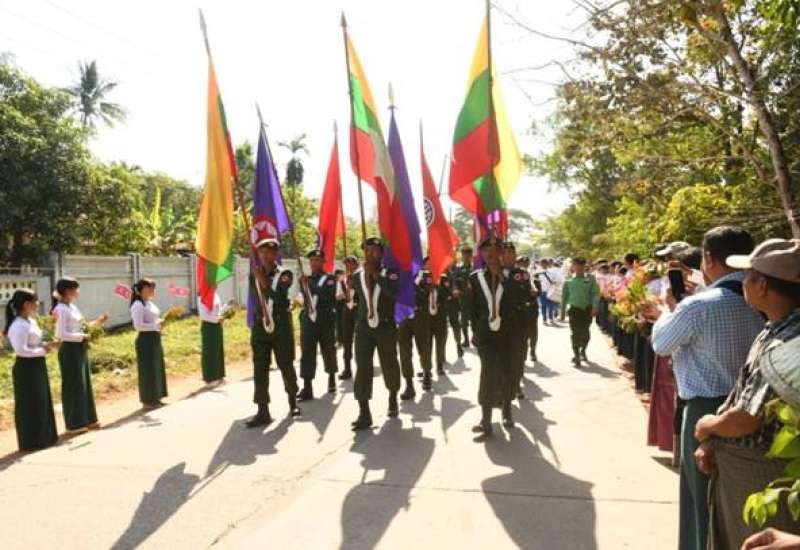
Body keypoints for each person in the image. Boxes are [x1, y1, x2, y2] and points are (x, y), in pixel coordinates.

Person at [650, 226, 764, 550]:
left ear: (709, 259)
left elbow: (661, 343)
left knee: (699, 498)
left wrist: (669, 308)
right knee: (739, 501)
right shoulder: (764, 299)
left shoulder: (699, 305)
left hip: (704, 410)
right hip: (754, 408)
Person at [691, 239, 800, 549]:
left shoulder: (788, 342)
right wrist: (713, 440)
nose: (743, 283)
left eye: (748, 276)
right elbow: (742, 395)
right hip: (745, 467)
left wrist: (706, 426)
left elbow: (747, 419)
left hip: (759, 472)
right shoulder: (774, 329)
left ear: (763, 286)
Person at [247, 238, 300, 428]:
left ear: (276, 254)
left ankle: (293, 402)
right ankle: (263, 410)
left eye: (270, 252)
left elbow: (279, 299)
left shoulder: (285, 274)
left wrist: (263, 281)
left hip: (281, 326)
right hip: (261, 326)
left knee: (285, 364)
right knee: (260, 368)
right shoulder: (254, 273)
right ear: (259, 254)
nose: (266, 255)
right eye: (263, 252)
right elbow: (255, 298)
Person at [350, 237, 402, 430]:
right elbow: (356, 299)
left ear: (382, 253)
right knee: (362, 368)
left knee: (389, 364)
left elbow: (393, 292)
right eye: (367, 250)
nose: (370, 254)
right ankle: (364, 412)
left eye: (375, 250)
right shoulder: (357, 276)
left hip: (385, 327)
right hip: (364, 327)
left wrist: (376, 274)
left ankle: (393, 396)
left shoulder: (392, 273)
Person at [471, 237, 515, 435]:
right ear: (481, 253)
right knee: (487, 373)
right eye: (485, 249)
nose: (490, 253)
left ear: (501, 253)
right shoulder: (475, 278)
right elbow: (471, 309)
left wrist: (502, 278)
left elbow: (517, 301)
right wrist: (474, 331)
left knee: (506, 372)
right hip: (485, 335)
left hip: (507, 333)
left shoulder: (512, 276)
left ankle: (507, 409)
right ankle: (485, 420)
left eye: (494, 249)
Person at [5, 289, 58, 452]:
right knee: (29, 404)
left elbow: (34, 343)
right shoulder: (17, 325)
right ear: (26, 304)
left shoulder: (31, 321)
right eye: (35, 301)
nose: (37, 304)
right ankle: (31, 441)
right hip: (26, 368)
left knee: (41, 400)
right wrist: (44, 350)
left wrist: (47, 345)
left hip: (37, 365)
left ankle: (44, 437)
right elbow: (21, 350)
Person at [52, 277, 105, 432]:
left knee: (84, 383)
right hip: (69, 350)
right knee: (73, 384)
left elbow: (82, 327)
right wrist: (82, 336)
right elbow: (61, 334)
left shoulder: (72, 307)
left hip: (80, 348)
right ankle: (74, 423)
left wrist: (98, 322)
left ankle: (88, 419)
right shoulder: (60, 309)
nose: (78, 291)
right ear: (67, 291)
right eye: (76, 288)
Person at [297, 249, 339, 400]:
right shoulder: (306, 279)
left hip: (325, 318)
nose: (314, 263)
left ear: (323, 262)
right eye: (312, 261)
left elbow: (327, 296)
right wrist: (303, 284)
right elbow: (305, 298)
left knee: (328, 349)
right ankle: (307, 387)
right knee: (307, 351)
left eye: (317, 260)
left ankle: (332, 377)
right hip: (309, 319)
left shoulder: (330, 279)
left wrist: (309, 285)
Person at [130, 278, 168, 409]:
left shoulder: (149, 303)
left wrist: (160, 322)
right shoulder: (138, 305)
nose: (152, 290)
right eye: (148, 288)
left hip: (155, 338)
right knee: (147, 370)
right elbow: (138, 325)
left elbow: (153, 319)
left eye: (153, 288)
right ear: (140, 290)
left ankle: (156, 396)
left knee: (156, 367)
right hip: (145, 340)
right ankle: (147, 400)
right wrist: (156, 325)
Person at [399, 262, 434, 396]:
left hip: (420, 317)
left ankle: (426, 373)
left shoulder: (426, 276)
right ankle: (409, 384)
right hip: (404, 317)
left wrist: (413, 285)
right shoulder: (398, 276)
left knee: (423, 348)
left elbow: (425, 296)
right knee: (404, 352)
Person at [560, 258, 600, 367]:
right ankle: (576, 354)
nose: (579, 268)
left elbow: (595, 293)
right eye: (576, 265)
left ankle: (583, 350)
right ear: (573, 266)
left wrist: (595, 307)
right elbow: (564, 297)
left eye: (581, 266)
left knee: (585, 333)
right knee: (575, 333)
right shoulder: (568, 280)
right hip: (574, 310)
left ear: (584, 266)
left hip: (587, 310)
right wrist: (562, 311)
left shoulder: (590, 279)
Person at [501, 242, 527, 400]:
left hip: (519, 321)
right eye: (504, 253)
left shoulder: (522, 275)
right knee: (502, 357)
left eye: (511, 253)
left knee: (518, 356)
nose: (508, 256)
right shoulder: (494, 274)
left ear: (515, 256)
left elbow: (526, 295)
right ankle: (503, 387)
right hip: (500, 322)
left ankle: (516, 384)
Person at [198, 290, 229, 383]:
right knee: (209, 351)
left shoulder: (216, 295)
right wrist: (217, 319)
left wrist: (226, 310)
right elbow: (203, 315)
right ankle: (210, 377)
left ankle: (219, 375)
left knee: (218, 350)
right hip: (209, 326)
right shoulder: (202, 297)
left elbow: (219, 310)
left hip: (217, 326)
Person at [337, 256, 359, 380]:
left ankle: (363, 367)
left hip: (359, 310)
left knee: (361, 340)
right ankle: (347, 368)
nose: (348, 266)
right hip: (347, 311)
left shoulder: (362, 276)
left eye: (350, 263)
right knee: (347, 340)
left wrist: (354, 286)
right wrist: (345, 290)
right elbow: (338, 296)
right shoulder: (343, 279)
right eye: (346, 264)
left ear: (356, 264)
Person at [517, 256, 540, 363]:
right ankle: (523, 353)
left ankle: (533, 351)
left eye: (526, 263)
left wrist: (534, 290)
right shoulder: (515, 279)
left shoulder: (534, 279)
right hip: (520, 310)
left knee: (533, 332)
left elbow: (538, 293)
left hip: (532, 308)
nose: (524, 265)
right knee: (522, 333)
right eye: (522, 263)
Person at [431, 259, 451, 375]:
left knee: (440, 342)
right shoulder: (422, 278)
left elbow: (447, 294)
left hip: (440, 316)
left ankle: (439, 365)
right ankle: (426, 368)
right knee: (426, 344)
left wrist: (437, 284)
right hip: (426, 317)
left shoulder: (443, 278)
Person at [453, 246, 475, 346]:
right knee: (463, 321)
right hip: (463, 299)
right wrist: (456, 289)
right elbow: (454, 281)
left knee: (475, 319)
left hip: (474, 298)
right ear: (462, 256)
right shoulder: (458, 269)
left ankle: (475, 338)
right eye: (464, 255)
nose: (466, 257)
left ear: (471, 256)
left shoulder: (474, 268)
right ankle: (466, 340)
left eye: (468, 255)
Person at [445, 259, 464, 358]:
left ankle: (458, 345)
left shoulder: (457, 271)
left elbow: (462, 285)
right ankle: (441, 355)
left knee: (456, 325)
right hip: (442, 304)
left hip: (453, 303)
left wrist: (458, 291)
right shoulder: (439, 271)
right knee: (442, 330)